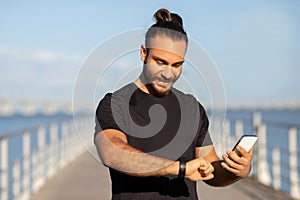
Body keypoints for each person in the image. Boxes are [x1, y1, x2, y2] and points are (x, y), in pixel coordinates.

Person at [94, 8, 253, 200]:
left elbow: (210, 172)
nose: (168, 73)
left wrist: (236, 171)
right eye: (160, 62)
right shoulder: (114, 103)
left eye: (177, 65)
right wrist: (179, 168)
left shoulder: (192, 107)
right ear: (143, 53)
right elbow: (112, 153)